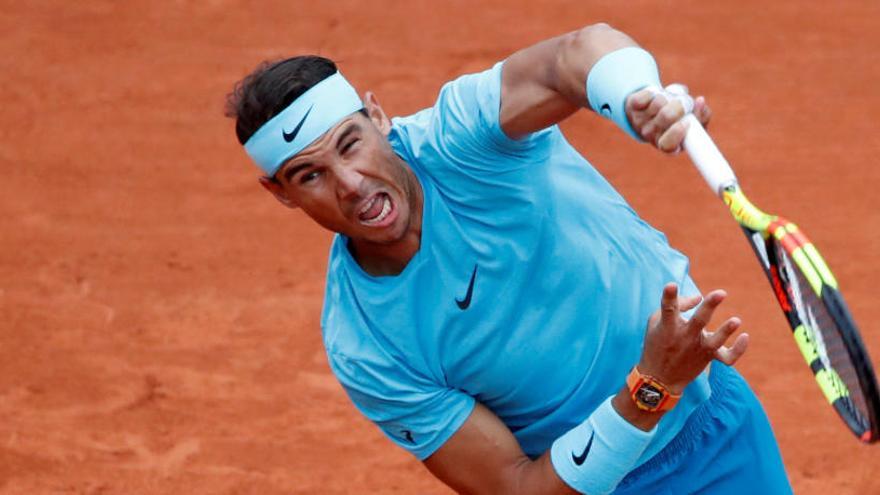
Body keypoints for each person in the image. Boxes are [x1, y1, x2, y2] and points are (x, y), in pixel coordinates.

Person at [226, 23, 792, 494]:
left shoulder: (462, 139)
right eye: (310, 175)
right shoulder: (365, 344)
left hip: (715, 428)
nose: (348, 184)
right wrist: (651, 386)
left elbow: (573, 57)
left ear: (377, 118)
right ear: (280, 192)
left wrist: (636, 100)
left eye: (350, 143)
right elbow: (516, 488)